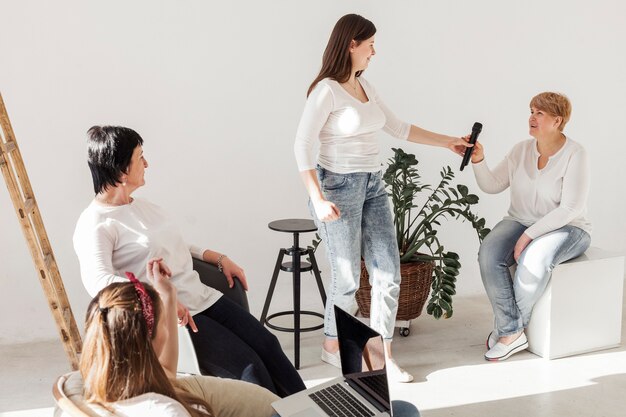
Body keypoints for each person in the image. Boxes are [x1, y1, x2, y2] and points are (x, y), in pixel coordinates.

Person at [293, 13, 471, 383]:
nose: (375, 51)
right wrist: (319, 199)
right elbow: (301, 146)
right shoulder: (326, 90)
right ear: (351, 45)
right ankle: (332, 346)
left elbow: (399, 127)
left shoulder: (366, 86)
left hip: (373, 184)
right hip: (337, 187)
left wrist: (448, 141)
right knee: (345, 281)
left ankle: (384, 356)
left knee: (387, 273)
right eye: (370, 44)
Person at [74, 125, 306, 397]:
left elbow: (175, 245)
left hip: (202, 296)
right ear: (122, 170)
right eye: (140, 158)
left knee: (268, 345)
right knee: (250, 370)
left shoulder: (141, 206)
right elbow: (98, 282)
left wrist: (217, 257)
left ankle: (312, 411)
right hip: (173, 317)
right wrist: (159, 299)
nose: (147, 164)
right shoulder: (95, 224)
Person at [469, 92, 592, 361]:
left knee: (534, 260)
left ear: (557, 120)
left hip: (569, 227)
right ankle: (512, 330)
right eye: (531, 110)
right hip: (520, 219)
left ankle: (508, 333)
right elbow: (492, 185)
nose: (531, 117)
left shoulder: (575, 153)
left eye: (539, 113)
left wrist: (527, 236)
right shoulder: (521, 150)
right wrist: (478, 160)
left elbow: (570, 208)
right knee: (489, 254)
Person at [79, 257, 279, 416]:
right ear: (150, 339)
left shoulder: (111, 384)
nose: (167, 329)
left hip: (263, 405)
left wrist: (168, 294)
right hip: (266, 411)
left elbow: (166, 369)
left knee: (267, 345)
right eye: (164, 324)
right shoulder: (167, 411)